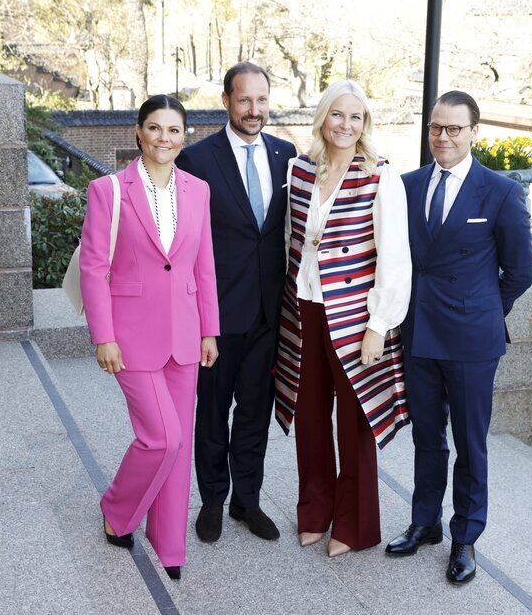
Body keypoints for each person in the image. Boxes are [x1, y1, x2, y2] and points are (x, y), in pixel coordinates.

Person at [387, 90, 532, 584]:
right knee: (427, 438)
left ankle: (465, 537)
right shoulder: (406, 185)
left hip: (473, 341)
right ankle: (424, 522)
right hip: (418, 335)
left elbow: (518, 273)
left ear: (474, 132)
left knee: (471, 445)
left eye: (453, 128)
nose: (443, 137)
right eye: (436, 128)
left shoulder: (501, 192)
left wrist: (482, 312)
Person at [80, 95, 219, 580]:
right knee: (162, 438)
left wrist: (210, 329)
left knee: (179, 447)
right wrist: (104, 336)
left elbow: (203, 265)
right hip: (130, 336)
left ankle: (170, 545)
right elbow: (95, 270)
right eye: (155, 128)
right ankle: (117, 510)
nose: (165, 138)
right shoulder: (109, 190)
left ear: (186, 136)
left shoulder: (198, 190)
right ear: (138, 132)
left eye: (174, 130)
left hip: (185, 335)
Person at [274, 79, 411, 558]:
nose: (346, 125)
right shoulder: (299, 168)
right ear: (322, 117)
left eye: (356, 117)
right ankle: (314, 510)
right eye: (337, 115)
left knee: (354, 426)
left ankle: (354, 526)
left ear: (365, 123)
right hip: (303, 309)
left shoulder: (380, 175)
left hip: (354, 316)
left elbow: (395, 257)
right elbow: (289, 239)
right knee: (310, 418)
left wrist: (379, 325)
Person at [176, 62, 297, 543]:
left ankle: (247, 501)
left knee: (254, 413)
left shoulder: (286, 155)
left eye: (262, 100)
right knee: (211, 413)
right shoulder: (197, 159)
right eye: (245, 100)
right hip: (215, 315)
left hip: (270, 316)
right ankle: (211, 500)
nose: (255, 109)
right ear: (226, 100)